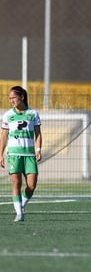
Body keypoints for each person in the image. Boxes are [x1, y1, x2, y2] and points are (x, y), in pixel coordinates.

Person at [0, 86, 42, 222]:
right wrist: (0, 154)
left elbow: (38, 134)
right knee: (16, 183)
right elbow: (4, 136)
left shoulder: (33, 114)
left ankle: (21, 206)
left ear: (22, 97)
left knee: (31, 185)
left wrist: (38, 150)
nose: (11, 100)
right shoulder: (7, 115)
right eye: (10, 98)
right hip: (13, 155)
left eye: (14, 98)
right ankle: (19, 214)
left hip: (29, 155)